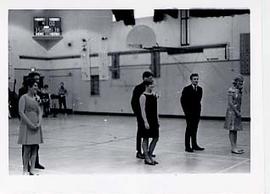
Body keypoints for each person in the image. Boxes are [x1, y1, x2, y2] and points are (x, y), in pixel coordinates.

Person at [17, 78, 44, 175]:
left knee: (35, 148)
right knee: (27, 148)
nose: (36, 88)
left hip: (36, 125)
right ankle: (25, 169)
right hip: (27, 125)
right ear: (29, 87)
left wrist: (39, 122)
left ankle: (32, 169)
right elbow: (21, 112)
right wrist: (30, 124)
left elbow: (40, 111)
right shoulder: (23, 98)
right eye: (35, 86)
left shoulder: (37, 98)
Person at [131, 71, 154, 159]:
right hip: (141, 114)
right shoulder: (138, 88)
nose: (151, 80)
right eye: (150, 78)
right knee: (140, 132)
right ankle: (138, 152)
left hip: (148, 114)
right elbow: (134, 102)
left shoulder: (149, 87)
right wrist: (138, 114)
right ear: (145, 78)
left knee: (146, 133)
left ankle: (146, 152)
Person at [180, 73, 204, 152]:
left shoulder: (200, 89)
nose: (196, 81)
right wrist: (186, 112)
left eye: (197, 79)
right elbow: (183, 101)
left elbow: (198, 100)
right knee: (189, 129)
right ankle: (187, 146)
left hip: (197, 112)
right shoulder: (186, 89)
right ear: (191, 80)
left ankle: (194, 145)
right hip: (189, 113)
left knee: (195, 128)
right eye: (194, 79)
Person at [139, 80, 159, 165]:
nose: (153, 86)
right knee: (146, 138)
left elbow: (156, 109)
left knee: (156, 137)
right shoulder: (143, 96)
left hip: (154, 119)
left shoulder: (154, 95)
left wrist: (158, 119)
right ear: (147, 86)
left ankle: (150, 155)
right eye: (151, 85)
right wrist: (145, 122)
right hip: (147, 119)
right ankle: (146, 157)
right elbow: (142, 110)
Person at [224, 75, 245, 154]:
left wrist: (238, 111)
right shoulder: (231, 90)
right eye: (240, 81)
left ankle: (235, 146)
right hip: (232, 112)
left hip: (237, 112)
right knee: (232, 130)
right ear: (236, 81)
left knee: (235, 130)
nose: (241, 83)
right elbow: (230, 103)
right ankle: (233, 147)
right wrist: (236, 111)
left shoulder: (239, 90)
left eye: (242, 82)